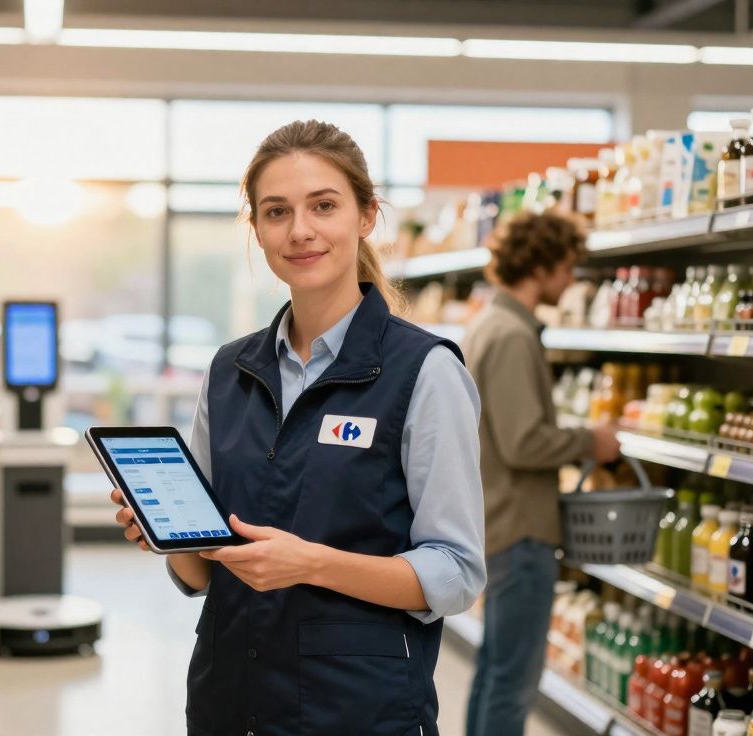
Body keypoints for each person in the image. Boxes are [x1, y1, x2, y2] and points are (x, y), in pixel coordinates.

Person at [109, 119, 485, 735]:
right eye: (276, 211)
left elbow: (454, 573)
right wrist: (170, 537)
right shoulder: (231, 369)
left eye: (324, 205)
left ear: (366, 216)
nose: (300, 230)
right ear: (255, 228)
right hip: (229, 701)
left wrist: (312, 564)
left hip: (358, 712)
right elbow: (203, 573)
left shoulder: (424, 370)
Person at [462, 211, 622, 736]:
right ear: (543, 265)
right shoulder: (511, 334)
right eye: (569, 267)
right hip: (520, 529)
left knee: (494, 670)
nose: (572, 280)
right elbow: (523, 441)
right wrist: (589, 442)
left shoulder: (490, 323)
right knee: (513, 680)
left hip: (497, 519)